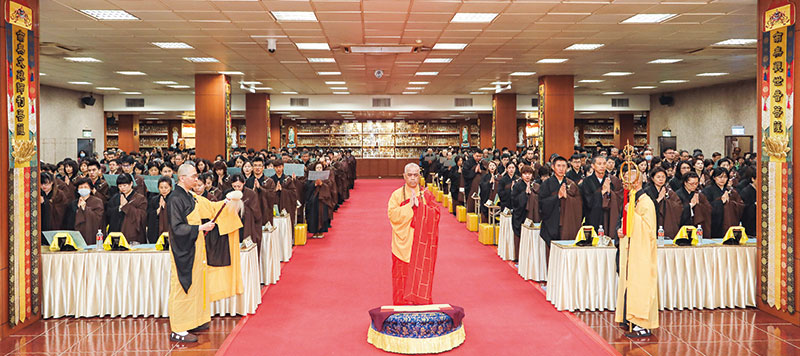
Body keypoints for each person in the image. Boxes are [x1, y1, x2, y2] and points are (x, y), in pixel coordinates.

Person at [166, 164, 242, 343]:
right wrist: (200, 227)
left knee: (198, 285)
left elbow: (210, 208)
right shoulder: (175, 198)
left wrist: (226, 203)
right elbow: (176, 228)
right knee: (182, 286)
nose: (196, 179)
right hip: (183, 250)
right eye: (193, 176)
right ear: (182, 178)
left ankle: (194, 320)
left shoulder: (191, 196)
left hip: (196, 247)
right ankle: (178, 328)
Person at [615, 163, 658, 338]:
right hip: (630, 248)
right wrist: (621, 229)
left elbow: (649, 230)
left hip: (642, 251)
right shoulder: (631, 199)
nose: (627, 181)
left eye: (631, 178)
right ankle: (630, 318)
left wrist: (632, 216)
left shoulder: (646, 201)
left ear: (639, 181)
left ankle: (643, 324)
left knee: (640, 284)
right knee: (629, 283)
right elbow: (624, 221)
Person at [387, 163, 441, 305]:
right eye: (409, 175)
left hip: (421, 246)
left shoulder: (426, 194)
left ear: (419, 176)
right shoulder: (397, 195)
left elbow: (436, 214)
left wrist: (421, 207)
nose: (412, 178)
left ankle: (421, 307)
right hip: (402, 245)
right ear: (404, 176)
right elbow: (392, 215)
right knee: (401, 279)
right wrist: (409, 207)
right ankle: (401, 309)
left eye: (415, 175)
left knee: (420, 277)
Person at [538, 156, 582, 264]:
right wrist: (557, 197)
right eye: (558, 166)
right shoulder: (546, 184)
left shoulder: (571, 184)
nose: (561, 169)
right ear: (553, 167)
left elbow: (579, 203)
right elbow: (541, 204)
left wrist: (568, 199)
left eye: (564, 166)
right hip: (552, 222)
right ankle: (552, 278)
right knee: (552, 254)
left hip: (567, 223)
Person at [579, 155, 623, 241]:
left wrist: (610, 193)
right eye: (599, 164)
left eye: (604, 163)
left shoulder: (612, 180)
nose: (602, 166)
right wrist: (602, 192)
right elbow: (587, 201)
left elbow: (619, 197)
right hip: (593, 217)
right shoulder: (587, 181)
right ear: (593, 166)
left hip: (609, 217)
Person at [105, 173, 148, 244]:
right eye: (120, 186)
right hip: (116, 232)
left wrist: (126, 206)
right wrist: (119, 208)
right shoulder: (115, 198)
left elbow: (142, 216)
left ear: (131, 184)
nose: (122, 188)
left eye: (125, 185)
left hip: (133, 234)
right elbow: (108, 213)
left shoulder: (140, 198)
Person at [701, 167, 744, 238]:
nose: (722, 179)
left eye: (725, 177)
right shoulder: (707, 191)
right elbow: (705, 208)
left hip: (729, 222)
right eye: (720, 177)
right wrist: (720, 202)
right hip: (715, 224)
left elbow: (740, 205)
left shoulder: (731, 191)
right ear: (714, 177)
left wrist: (731, 203)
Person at [643, 167, 682, 239]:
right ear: (652, 178)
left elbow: (678, 205)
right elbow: (645, 208)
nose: (661, 179)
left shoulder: (669, 191)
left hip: (666, 221)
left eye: (663, 177)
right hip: (652, 221)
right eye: (658, 177)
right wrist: (659, 199)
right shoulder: (647, 191)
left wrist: (667, 202)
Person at [64, 178, 105, 242]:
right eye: (81, 187)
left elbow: (98, 219)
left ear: (91, 189)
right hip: (76, 234)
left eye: (85, 187)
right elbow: (69, 221)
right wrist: (77, 209)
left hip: (91, 234)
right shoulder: (73, 203)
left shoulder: (97, 202)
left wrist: (85, 209)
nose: (83, 189)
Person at [511, 165, 536, 261]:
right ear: (521, 175)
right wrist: (524, 194)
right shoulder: (518, 186)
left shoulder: (535, 185)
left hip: (531, 214)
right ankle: (518, 257)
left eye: (529, 174)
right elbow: (514, 201)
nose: (527, 176)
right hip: (519, 214)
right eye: (525, 174)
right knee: (519, 236)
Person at [305, 162, 335, 238]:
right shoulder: (311, 177)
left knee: (322, 215)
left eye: (320, 168)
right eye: (317, 168)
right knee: (313, 215)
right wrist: (314, 184)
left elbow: (329, 186)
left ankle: (321, 232)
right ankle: (314, 232)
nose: (319, 169)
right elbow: (307, 187)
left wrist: (322, 184)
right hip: (313, 200)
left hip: (322, 200)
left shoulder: (326, 178)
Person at [146, 176, 173, 244]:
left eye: (166, 187)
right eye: (161, 187)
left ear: (171, 187)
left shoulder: (174, 199)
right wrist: (158, 210)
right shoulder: (154, 200)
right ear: (158, 188)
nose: (164, 190)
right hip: (156, 230)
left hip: (170, 230)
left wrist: (165, 207)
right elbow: (148, 215)